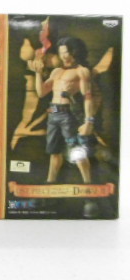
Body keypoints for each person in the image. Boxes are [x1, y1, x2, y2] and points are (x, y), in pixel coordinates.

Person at [33, 37, 94, 184]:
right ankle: (50, 182)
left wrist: (89, 121)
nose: (63, 56)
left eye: (66, 52)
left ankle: (88, 183)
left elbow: (87, 97)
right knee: (54, 151)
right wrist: (38, 73)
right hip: (53, 112)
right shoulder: (56, 71)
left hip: (68, 113)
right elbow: (41, 92)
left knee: (76, 149)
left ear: (74, 52)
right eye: (61, 53)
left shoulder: (81, 71)